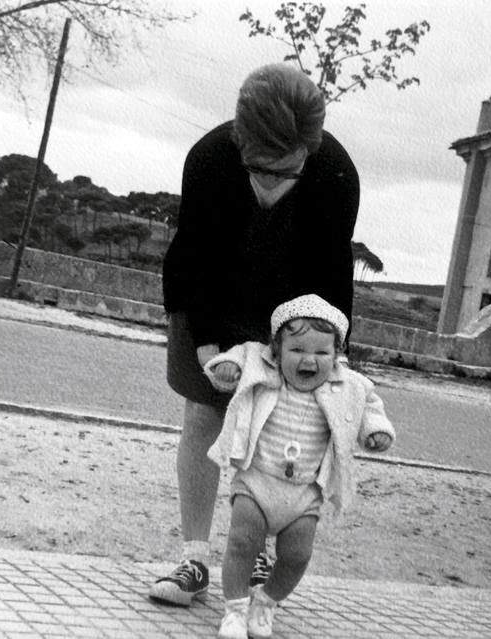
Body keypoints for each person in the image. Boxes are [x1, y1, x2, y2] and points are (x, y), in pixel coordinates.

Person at [151, 63, 360, 606]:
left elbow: (332, 281)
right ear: (241, 140)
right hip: (209, 296)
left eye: (284, 174)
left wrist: (317, 358)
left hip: (291, 309)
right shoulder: (210, 158)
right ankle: (194, 559)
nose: (269, 186)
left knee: (279, 424)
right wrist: (207, 350)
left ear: (308, 152)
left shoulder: (336, 173)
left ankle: (257, 557)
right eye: (258, 170)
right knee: (204, 414)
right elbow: (192, 259)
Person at [204, 294, 394, 639]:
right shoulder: (260, 364)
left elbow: (370, 404)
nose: (310, 360)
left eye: (322, 353)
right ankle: (234, 610)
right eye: (297, 351)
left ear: (336, 356)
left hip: (305, 494)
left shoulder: (347, 384)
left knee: (297, 555)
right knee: (242, 542)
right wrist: (226, 367)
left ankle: (266, 601)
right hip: (257, 480)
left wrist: (376, 430)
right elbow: (236, 358)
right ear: (276, 351)